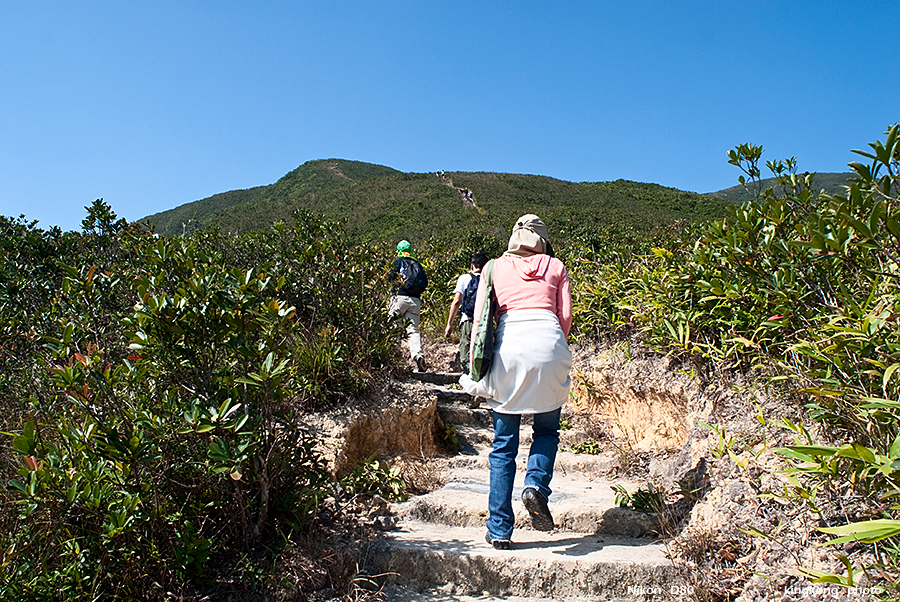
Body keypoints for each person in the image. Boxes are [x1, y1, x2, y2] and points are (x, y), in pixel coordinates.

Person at [459, 215, 572, 550]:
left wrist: (475, 367)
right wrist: (552, 347)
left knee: (504, 445)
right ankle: (535, 485)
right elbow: (564, 317)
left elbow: (480, 320)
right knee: (547, 431)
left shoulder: (493, 267)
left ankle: (499, 530)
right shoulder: (556, 266)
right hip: (549, 345)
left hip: (510, 350)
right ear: (542, 239)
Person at [444, 252, 489, 374]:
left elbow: (456, 301)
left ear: (472, 266)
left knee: (466, 353)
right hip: (485, 322)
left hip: (468, 320)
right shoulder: (489, 280)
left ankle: (471, 380)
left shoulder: (464, 278)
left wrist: (449, 323)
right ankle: (481, 381)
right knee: (483, 353)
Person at [388, 240, 428, 372]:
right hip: (415, 301)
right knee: (413, 330)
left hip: (399, 298)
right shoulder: (417, 264)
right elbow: (425, 282)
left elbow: (389, 277)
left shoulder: (397, 261)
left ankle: (393, 359)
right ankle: (418, 355)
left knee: (395, 329)